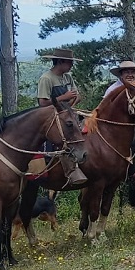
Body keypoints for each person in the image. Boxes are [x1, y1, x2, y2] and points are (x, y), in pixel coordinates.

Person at [37, 48, 87, 185]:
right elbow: (42, 103)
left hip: (67, 112)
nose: (72, 65)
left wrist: (71, 103)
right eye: (70, 62)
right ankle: (66, 169)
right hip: (52, 115)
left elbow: (76, 96)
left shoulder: (68, 77)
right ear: (60, 62)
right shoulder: (46, 78)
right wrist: (63, 98)